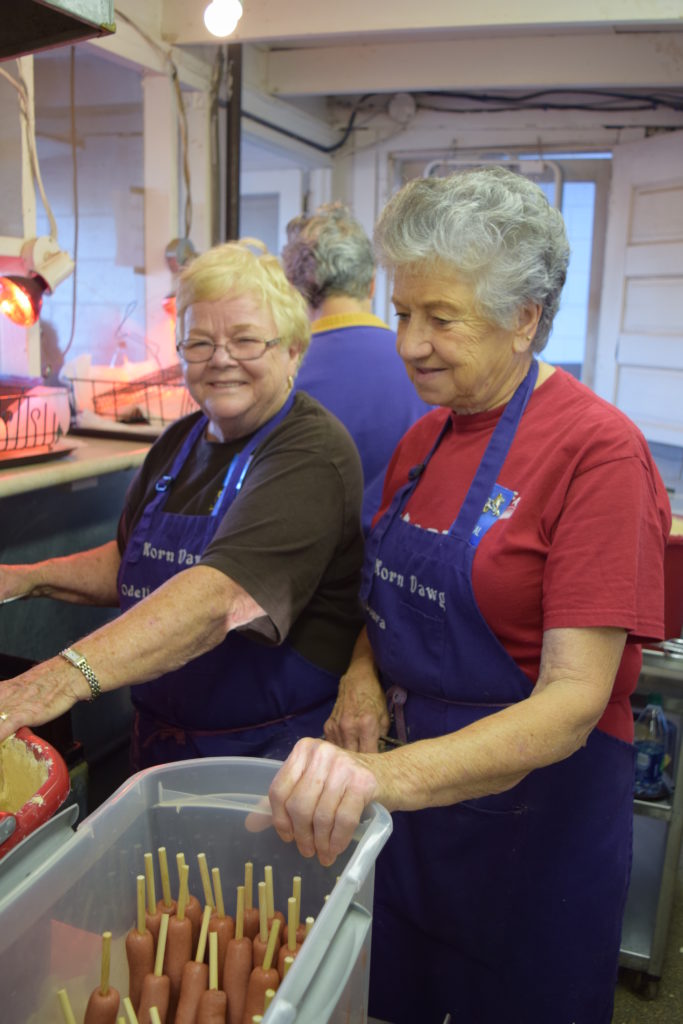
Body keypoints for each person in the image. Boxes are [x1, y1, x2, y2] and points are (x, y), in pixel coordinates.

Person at [267, 168, 672, 1024]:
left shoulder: (598, 454)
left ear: (524, 318)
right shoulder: (424, 436)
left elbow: (569, 704)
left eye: (439, 318)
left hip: (532, 826)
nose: (409, 342)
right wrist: (361, 675)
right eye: (404, 311)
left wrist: (374, 776)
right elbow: (383, 596)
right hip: (415, 818)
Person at [0, 240, 364, 769]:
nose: (220, 359)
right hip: (159, 743)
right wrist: (25, 578)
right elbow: (128, 564)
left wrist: (53, 681)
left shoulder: (310, 453)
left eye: (245, 340)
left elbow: (219, 601)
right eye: (199, 343)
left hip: (266, 756)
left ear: (292, 351)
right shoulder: (180, 442)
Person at [282, 202, 429, 533]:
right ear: (373, 282)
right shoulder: (423, 366)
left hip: (302, 565)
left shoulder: (280, 373)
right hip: (394, 564)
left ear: (294, 289)